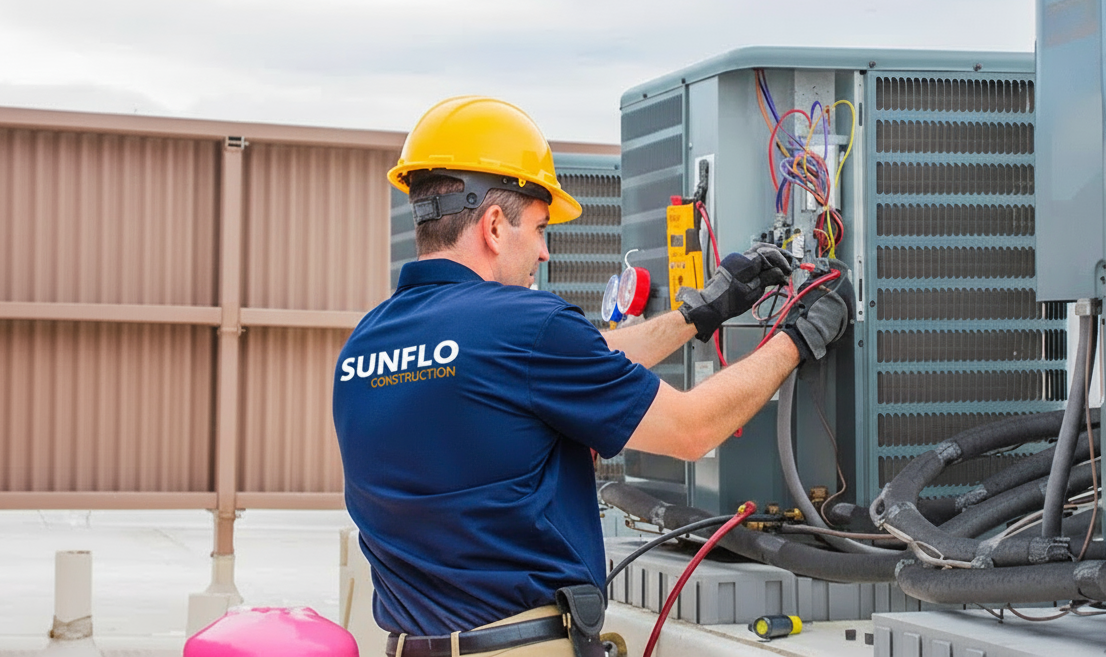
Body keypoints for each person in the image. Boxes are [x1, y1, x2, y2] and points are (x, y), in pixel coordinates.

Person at [332, 96, 849, 657]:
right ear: (495, 225)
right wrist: (797, 340)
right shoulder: (524, 325)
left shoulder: (365, 344)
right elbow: (692, 429)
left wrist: (698, 314)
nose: (544, 251)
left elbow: (578, 359)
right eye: (540, 228)